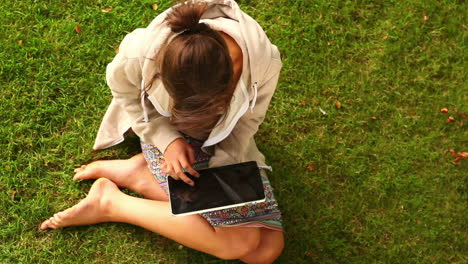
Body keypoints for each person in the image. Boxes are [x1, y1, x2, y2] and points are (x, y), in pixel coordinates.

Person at [40, 0, 284, 263]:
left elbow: (247, 122)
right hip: (163, 136)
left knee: (266, 250)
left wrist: (223, 170)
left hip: (226, 145)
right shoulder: (141, 51)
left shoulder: (264, 63)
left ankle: (142, 177)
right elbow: (125, 93)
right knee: (238, 243)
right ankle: (111, 203)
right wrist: (168, 141)